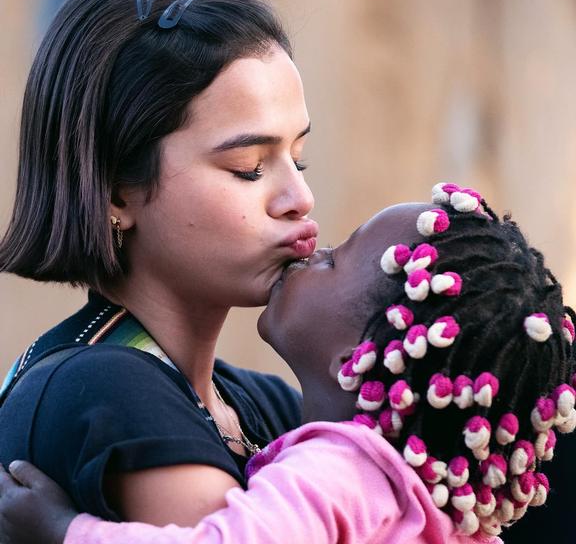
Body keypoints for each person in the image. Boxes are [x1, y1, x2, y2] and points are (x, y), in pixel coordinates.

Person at [0, 184, 574, 543]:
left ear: (356, 357)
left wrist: (64, 530)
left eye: (335, 260)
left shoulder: (338, 476)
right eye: (250, 166)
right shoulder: (438, 517)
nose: (312, 234)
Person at [0, 0, 317, 526]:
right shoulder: (107, 388)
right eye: (248, 167)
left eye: (299, 157)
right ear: (115, 190)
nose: (299, 197)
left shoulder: (261, 405)